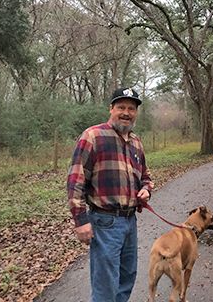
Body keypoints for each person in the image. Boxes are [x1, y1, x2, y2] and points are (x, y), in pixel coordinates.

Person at [67, 87, 154, 302]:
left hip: (129, 221)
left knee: (127, 277)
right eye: (121, 107)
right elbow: (75, 180)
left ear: (136, 113)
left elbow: (145, 175)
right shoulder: (93, 136)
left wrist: (145, 190)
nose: (126, 112)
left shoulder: (136, 142)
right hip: (105, 221)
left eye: (131, 108)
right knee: (106, 284)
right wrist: (81, 221)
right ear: (111, 109)